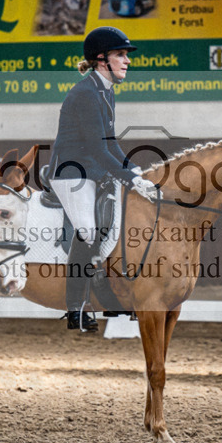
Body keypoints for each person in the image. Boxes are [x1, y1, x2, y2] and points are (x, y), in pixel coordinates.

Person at [47, 27, 158, 332]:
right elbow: (97, 148)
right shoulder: (84, 93)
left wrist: (134, 172)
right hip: (71, 171)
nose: (127, 61)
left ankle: (111, 291)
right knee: (87, 231)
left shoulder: (105, 91)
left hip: (93, 169)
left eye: (126, 55)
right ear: (101, 59)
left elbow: (110, 145)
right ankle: (76, 308)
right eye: (120, 54)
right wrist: (130, 178)